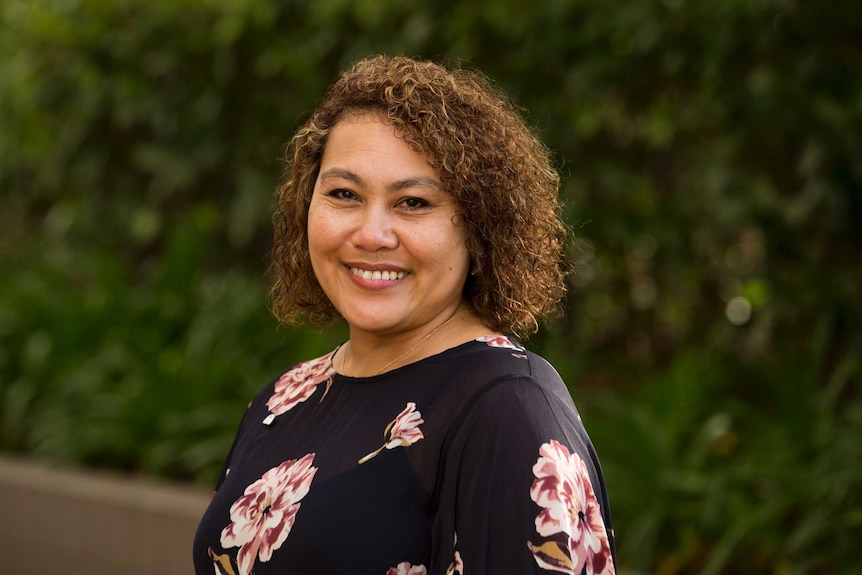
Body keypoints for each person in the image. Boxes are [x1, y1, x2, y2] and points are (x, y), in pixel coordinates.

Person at [193, 55, 616, 575]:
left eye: (413, 203)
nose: (372, 234)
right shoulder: (284, 399)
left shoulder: (505, 411)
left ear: (478, 226)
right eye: (344, 194)